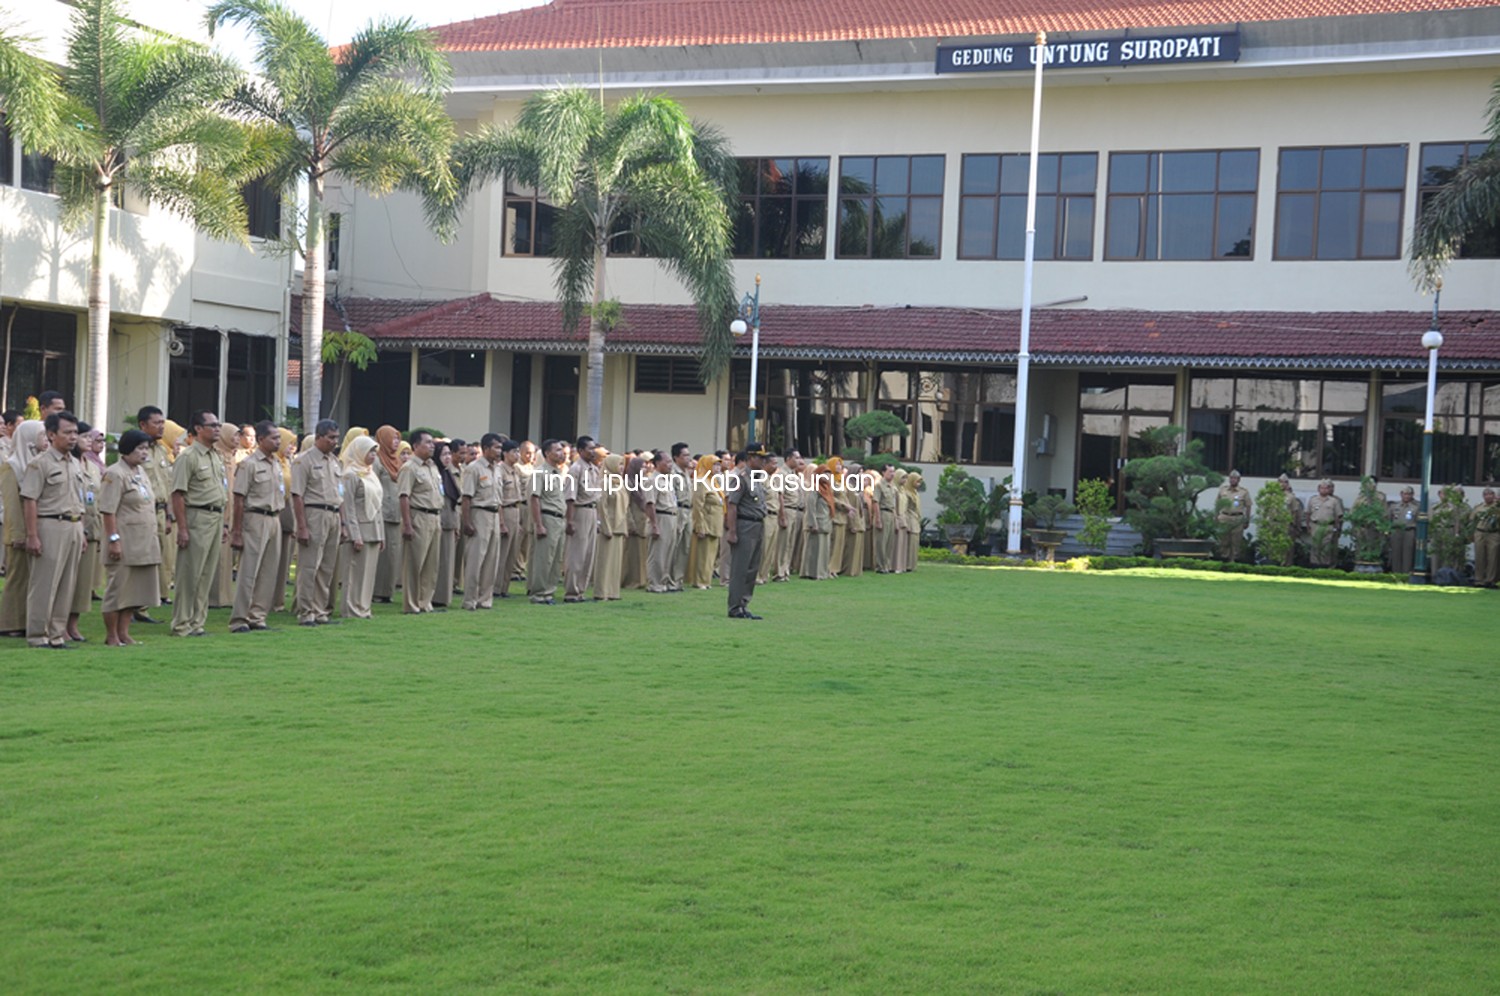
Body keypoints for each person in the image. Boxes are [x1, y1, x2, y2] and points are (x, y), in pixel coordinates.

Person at [22, 411, 86, 648]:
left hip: (74, 525)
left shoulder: (76, 464)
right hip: (50, 524)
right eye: (67, 432)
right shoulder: (40, 463)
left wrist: (83, 530)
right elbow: (30, 500)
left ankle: (57, 635)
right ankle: (38, 635)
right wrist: (32, 535)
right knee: (44, 584)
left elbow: (79, 498)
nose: (73, 437)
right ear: (51, 435)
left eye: (75, 433)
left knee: (66, 585)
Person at [100, 429, 160, 646]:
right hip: (124, 540)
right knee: (118, 589)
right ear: (127, 449)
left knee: (134, 592)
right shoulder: (115, 473)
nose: (144, 453)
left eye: (146, 449)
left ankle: (124, 633)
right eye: (140, 448)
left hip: (143, 541)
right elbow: (108, 510)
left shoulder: (140, 472)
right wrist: (113, 539)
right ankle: (112, 635)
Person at [170, 410, 228, 637]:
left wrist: (224, 524)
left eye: (218, 425)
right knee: (189, 573)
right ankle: (181, 623)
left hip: (216, 516)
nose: (217, 429)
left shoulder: (216, 455)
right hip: (197, 516)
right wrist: (182, 528)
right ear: (197, 429)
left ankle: (197, 622)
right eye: (212, 425)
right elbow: (178, 494)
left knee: (206, 573)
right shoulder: (188, 457)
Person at [228, 421, 285, 633]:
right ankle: (239, 619)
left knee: (269, 570)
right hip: (255, 517)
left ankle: (258, 616)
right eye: (274, 438)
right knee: (249, 571)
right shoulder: (249, 464)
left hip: (274, 518)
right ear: (261, 440)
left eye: (279, 438)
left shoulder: (276, 463)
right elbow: (239, 498)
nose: (278, 441)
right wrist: (237, 530)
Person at [291, 419, 346, 626]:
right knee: (309, 566)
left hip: (333, 514)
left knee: (327, 567)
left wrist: (343, 524)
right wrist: (302, 526)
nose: (334, 442)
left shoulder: (334, 461)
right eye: (330, 437)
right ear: (319, 437)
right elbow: (297, 495)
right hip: (314, 513)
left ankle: (320, 610)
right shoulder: (304, 460)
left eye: (336, 438)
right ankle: (305, 612)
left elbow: (340, 495)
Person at [0, 421, 46, 635]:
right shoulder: (12, 465)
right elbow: (11, 504)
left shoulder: (38, 463)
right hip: (18, 533)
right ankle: (9, 623)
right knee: (17, 579)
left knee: (31, 579)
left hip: (36, 529)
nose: (46, 440)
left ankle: (27, 620)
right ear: (28, 438)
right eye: (42, 436)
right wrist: (20, 534)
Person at [339, 434, 385, 618]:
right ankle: (351, 608)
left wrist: (381, 535)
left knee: (368, 574)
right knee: (354, 572)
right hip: (359, 529)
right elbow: (348, 507)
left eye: (375, 452)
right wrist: (354, 534)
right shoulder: (350, 475)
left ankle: (364, 607)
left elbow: (378, 505)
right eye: (369, 451)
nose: (373, 455)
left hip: (373, 529)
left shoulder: (370, 473)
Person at [67, 422, 105, 641]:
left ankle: (73, 624)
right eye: (84, 436)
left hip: (92, 528)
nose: (88, 440)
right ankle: (60, 624)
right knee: (68, 581)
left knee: (83, 583)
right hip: (73, 526)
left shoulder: (91, 465)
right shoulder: (69, 463)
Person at [137, 405, 176, 618]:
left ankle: (156, 599)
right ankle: (138, 606)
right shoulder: (137, 449)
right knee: (145, 558)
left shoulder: (161, 450)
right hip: (143, 511)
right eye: (156, 423)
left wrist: (169, 515)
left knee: (163, 559)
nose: (161, 427)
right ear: (143, 425)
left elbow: (167, 484)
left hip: (161, 511)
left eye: (163, 423)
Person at [398, 429, 442, 613]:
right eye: (428, 442)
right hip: (419, 516)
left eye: (433, 442)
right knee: (415, 563)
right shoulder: (409, 468)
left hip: (435, 516)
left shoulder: (432, 466)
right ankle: (411, 603)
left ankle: (425, 601)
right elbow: (404, 496)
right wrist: (408, 524)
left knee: (431, 564)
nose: (432, 446)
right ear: (416, 446)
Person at [459, 433, 505, 610]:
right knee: (475, 559)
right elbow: (467, 498)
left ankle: (485, 599)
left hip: (493, 514)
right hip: (479, 514)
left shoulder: (497, 469)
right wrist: (467, 522)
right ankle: (470, 599)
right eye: (496, 447)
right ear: (486, 449)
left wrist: (501, 522)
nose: (499, 451)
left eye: (500, 448)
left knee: (491, 560)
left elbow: (499, 500)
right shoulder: (474, 468)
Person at [725, 444, 769, 619]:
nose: (763, 461)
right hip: (744, 525)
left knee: (752, 568)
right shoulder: (740, 478)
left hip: (757, 525)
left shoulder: (756, 478)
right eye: (760, 458)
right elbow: (732, 505)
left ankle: (743, 604)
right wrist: (732, 531)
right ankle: (734, 607)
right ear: (751, 458)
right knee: (740, 569)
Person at [526, 438, 568, 605]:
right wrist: (538, 524)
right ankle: (538, 593)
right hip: (547, 517)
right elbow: (534, 499)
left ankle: (549, 592)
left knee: (556, 558)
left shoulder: (557, 473)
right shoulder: (540, 472)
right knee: (544, 558)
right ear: (547, 453)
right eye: (557, 450)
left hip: (559, 519)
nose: (561, 453)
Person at [563, 435, 603, 602]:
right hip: (579, 512)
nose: (593, 452)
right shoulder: (576, 469)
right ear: (580, 451)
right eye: (590, 449)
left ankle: (581, 590)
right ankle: (571, 591)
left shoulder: (593, 469)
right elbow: (570, 497)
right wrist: (570, 520)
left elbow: (596, 497)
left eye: (594, 448)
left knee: (588, 554)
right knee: (576, 554)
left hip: (592, 512)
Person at [210, 421, 242, 608]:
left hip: (230, 513)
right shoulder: (217, 457)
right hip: (216, 512)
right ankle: (214, 597)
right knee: (217, 557)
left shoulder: (232, 457)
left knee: (226, 557)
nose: (237, 439)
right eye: (234, 435)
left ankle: (225, 595)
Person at [373, 425, 406, 603]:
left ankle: (388, 591)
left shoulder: (398, 462)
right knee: (382, 556)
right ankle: (377, 591)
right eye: (392, 438)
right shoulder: (377, 461)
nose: (396, 442)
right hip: (383, 512)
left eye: (397, 438)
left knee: (393, 555)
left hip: (396, 514)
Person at [593, 452, 628, 601]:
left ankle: (613, 591)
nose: (621, 468)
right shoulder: (604, 482)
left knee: (615, 561)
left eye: (622, 464)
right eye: (619, 464)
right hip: (609, 526)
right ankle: (602, 591)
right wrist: (605, 526)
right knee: (605, 560)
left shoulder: (620, 483)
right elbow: (602, 505)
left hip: (619, 525)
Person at [645, 449, 679, 593]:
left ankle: (663, 581)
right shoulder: (653, 480)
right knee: (657, 553)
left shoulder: (666, 480)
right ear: (658, 463)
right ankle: (654, 583)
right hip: (661, 516)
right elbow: (650, 504)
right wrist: (654, 525)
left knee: (668, 552)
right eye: (667, 462)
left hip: (671, 516)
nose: (670, 465)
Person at [689, 453, 724, 589]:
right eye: (714, 464)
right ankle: (700, 581)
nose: (718, 467)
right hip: (706, 522)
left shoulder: (713, 482)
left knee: (711, 555)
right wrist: (700, 525)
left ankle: (706, 580)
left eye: (718, 465)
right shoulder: (701, 481)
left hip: (715, 522)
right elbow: (698, 505)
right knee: (703, 555)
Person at [495, 438, 524, 598]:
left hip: (515, 510)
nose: (517, 455)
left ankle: (504, 588)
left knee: (512, 553)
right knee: (502, 553)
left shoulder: (515, 471)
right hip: (504, 511)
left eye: (518, 451)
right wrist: (501, 522)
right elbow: (499, 498)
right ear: (505, 453)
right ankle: (496, 587)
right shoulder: (500, 470)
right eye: (514, 451)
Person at [433, 440, 460, 609]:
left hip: (450, 521)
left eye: (449, 454)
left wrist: (456, 525)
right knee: (437, 561)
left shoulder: (448, 474)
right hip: (438, 521)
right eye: (444, 454)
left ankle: (443, 596)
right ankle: (433, 596)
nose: (448, 457)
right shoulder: (435, 473)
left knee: (448, 561)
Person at [776, 449, 805, 581]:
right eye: (796, 458)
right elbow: (780, 495)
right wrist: (782, 515)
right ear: (788, 458)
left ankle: (786, 569)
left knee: (790, 542)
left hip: (797, 510)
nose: (799, 460)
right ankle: (779, 571)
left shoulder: (794, 475)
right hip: (787, 509)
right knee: (783, 542)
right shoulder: (781, 474)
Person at [802, 463, 834, 579]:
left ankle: (822, 572)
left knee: (824, 550)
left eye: (829, 474)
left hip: (826, 522)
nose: (827, 476)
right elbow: (811, 506)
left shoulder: (827, 489)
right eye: (825, 474)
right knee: (815, 549)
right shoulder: (814, 488)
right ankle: (811, 572)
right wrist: (812, 523)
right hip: (818, 523)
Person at [669, 442, 693, 590]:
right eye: (685, 455)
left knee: (685, 547)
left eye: (689, 455)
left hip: (688, 511)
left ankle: (678, 580)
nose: (688, 458)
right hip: (678, 510)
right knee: (674, 546)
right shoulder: (673, 474)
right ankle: (670, 579)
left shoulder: (686, 474)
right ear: (676, 457)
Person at [1304, 478, 1344, 568]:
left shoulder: (1334, 501)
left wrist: (1337, 528)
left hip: (1328, 526)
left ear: (1329, 489)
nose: (1324, 490)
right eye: (1322, 488)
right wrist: (1308, 526)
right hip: (1315, 525)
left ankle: (1325, 566)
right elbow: (1308, 513)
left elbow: (1338, 516)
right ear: (1318, 489)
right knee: (1315, 547)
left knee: (1326, 548)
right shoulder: (1313, 500)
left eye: (1326, 488)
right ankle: (1314, 565)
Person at [1215, 469, 1252, 562]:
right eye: (1231, 478)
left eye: (1235, 478)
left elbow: (1248, 506)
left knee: (1236, 541)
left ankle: (1234, 561)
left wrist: (1247, 520)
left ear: (1239, 480)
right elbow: (1218, 504)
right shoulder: (1223, 490)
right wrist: (1216, 516)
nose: (1233, 480)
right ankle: (1224, 559)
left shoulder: (1244, 492)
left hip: (1237, 518)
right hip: (1224, 517)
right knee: (1224, 540)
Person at [1471, 488, 1500, 587]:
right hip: (1480, 532)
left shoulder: (1497, 507)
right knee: (1479, 556)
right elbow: (1472, 520)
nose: (1488, 496)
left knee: (1493, 557)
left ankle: (1490, 580)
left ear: (1494, 495)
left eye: (1490, 494)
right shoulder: (1478, 507)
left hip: (1493, 533)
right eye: (1486, 494)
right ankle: (1479, 580)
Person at [1388, 486, 1420, 576]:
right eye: (1405, 494)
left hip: (1409, 531)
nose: (1407, 496)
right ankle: (1396, 575)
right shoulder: (1394, 506)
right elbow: (1389, 519)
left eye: (1409, 494)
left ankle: (1406, 575)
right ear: (1401, 494)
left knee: (1408, 555)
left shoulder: (1416, 507)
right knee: (1396, 554)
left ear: (1412, 495)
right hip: (1396, 531)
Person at [1278, 474, 1304, 566]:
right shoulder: (1272, 495)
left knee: (1287, 548)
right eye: (1280, 482)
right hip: (1274, 523)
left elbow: (1295, 512)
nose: (1282, 484)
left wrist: (1296, 525)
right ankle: (1275, 565)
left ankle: (1286, 566)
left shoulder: (1291, 497)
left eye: (1284, 482)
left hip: (1286, 524)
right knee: (1274, 546)